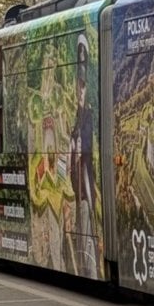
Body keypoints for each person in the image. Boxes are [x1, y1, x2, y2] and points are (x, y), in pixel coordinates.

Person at [69, 35, 99, 280]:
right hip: (77, 195)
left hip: (88, 197)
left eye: (84, 84)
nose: (80, 89)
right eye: (78, 84)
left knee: (88, 236)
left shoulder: (88, 119)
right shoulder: (75, 122)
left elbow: (88, 158)